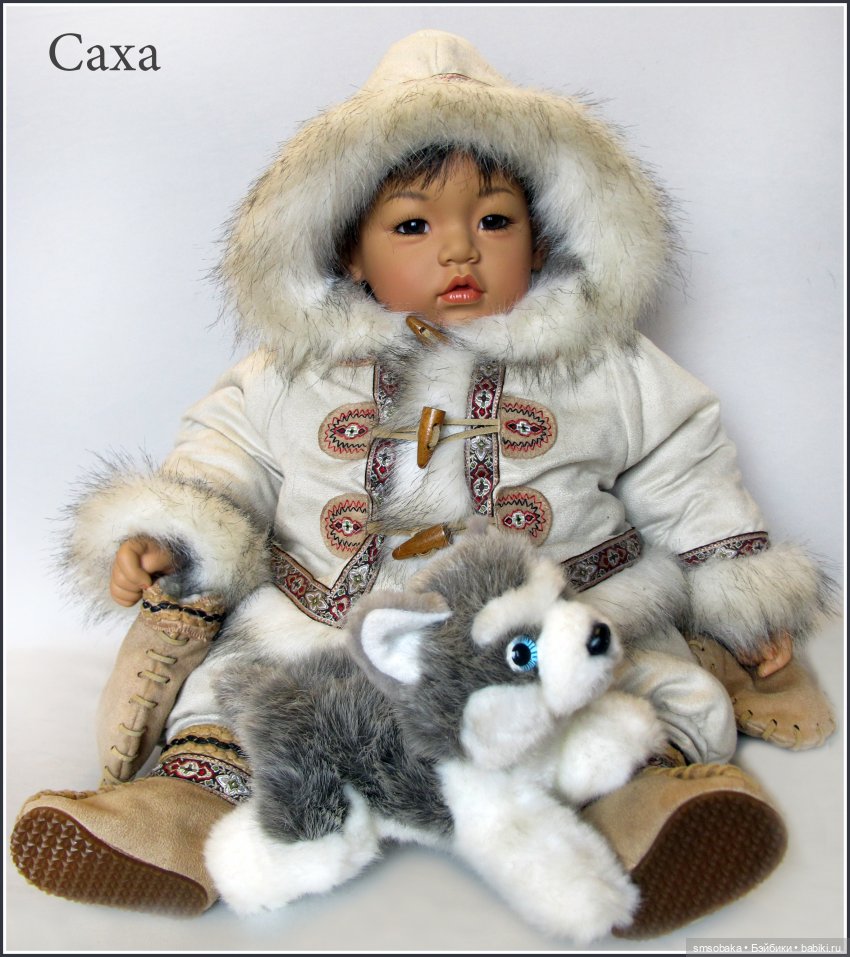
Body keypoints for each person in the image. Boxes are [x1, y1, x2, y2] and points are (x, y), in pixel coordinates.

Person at [10, 30, 834, 938]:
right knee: (239, 694)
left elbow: (685, 465)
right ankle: (180, 815)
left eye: (495, 221)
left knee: (640, 690)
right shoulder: (290, 372)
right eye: (413, 226)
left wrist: (739, 594)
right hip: (329, 629)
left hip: (547, 632)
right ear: (348, 254)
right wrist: (169, 536)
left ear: (543, 235)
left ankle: (648, 811)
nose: (461, 253)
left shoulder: (608, 363)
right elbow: (222, 456)